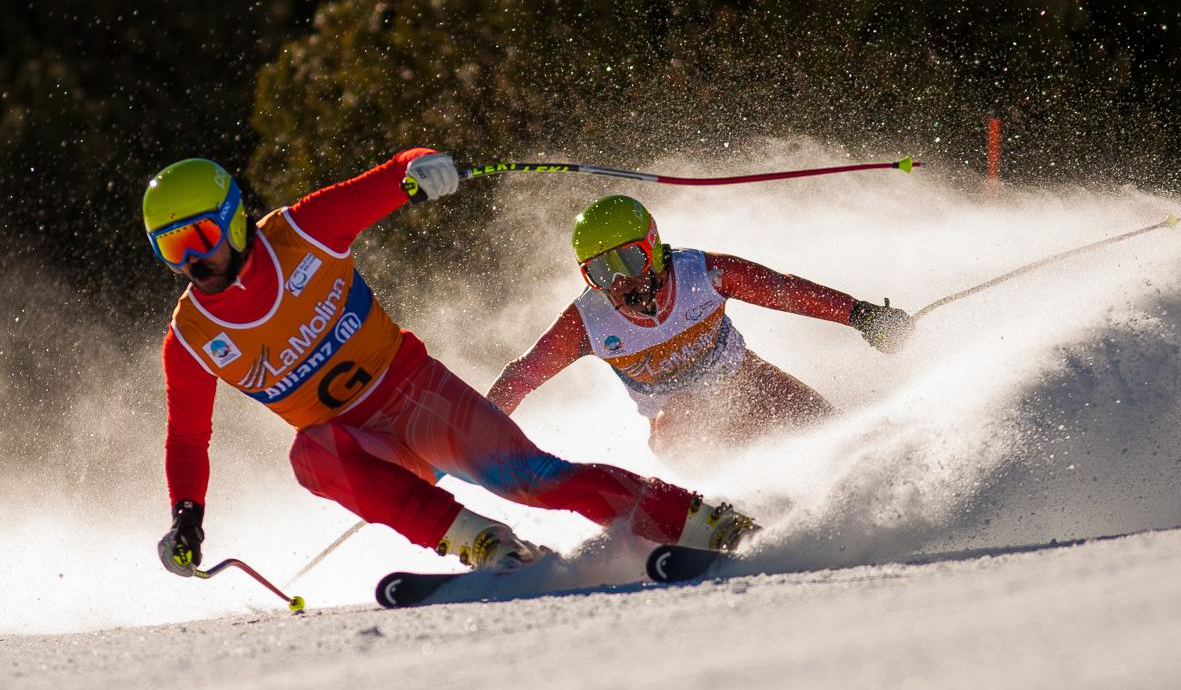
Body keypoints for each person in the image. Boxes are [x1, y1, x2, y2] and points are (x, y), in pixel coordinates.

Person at [146, 152, 761, 580]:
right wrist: (188, 519)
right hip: (369, 447)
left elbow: (395, 173)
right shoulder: (194, 337)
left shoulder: (304, 233)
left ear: (231, 216)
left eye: (199, 235)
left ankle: (708, 524)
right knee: (311, 455)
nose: (193, 259)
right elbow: (187, 438)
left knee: (536, 479)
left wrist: (422, 170)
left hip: (418, 396)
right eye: (173, 247)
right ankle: (492, 549)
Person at [486, 195, 913, 459]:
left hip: (748, 382)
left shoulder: (701, 274)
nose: (620, 283)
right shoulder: (587, 323)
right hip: (679, 426)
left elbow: (783, 290)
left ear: (652, 248)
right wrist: (475, 432)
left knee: (829, 431)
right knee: (686, 412)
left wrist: (863, 316)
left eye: (629, 261)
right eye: (600, 272)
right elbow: (521, 375)